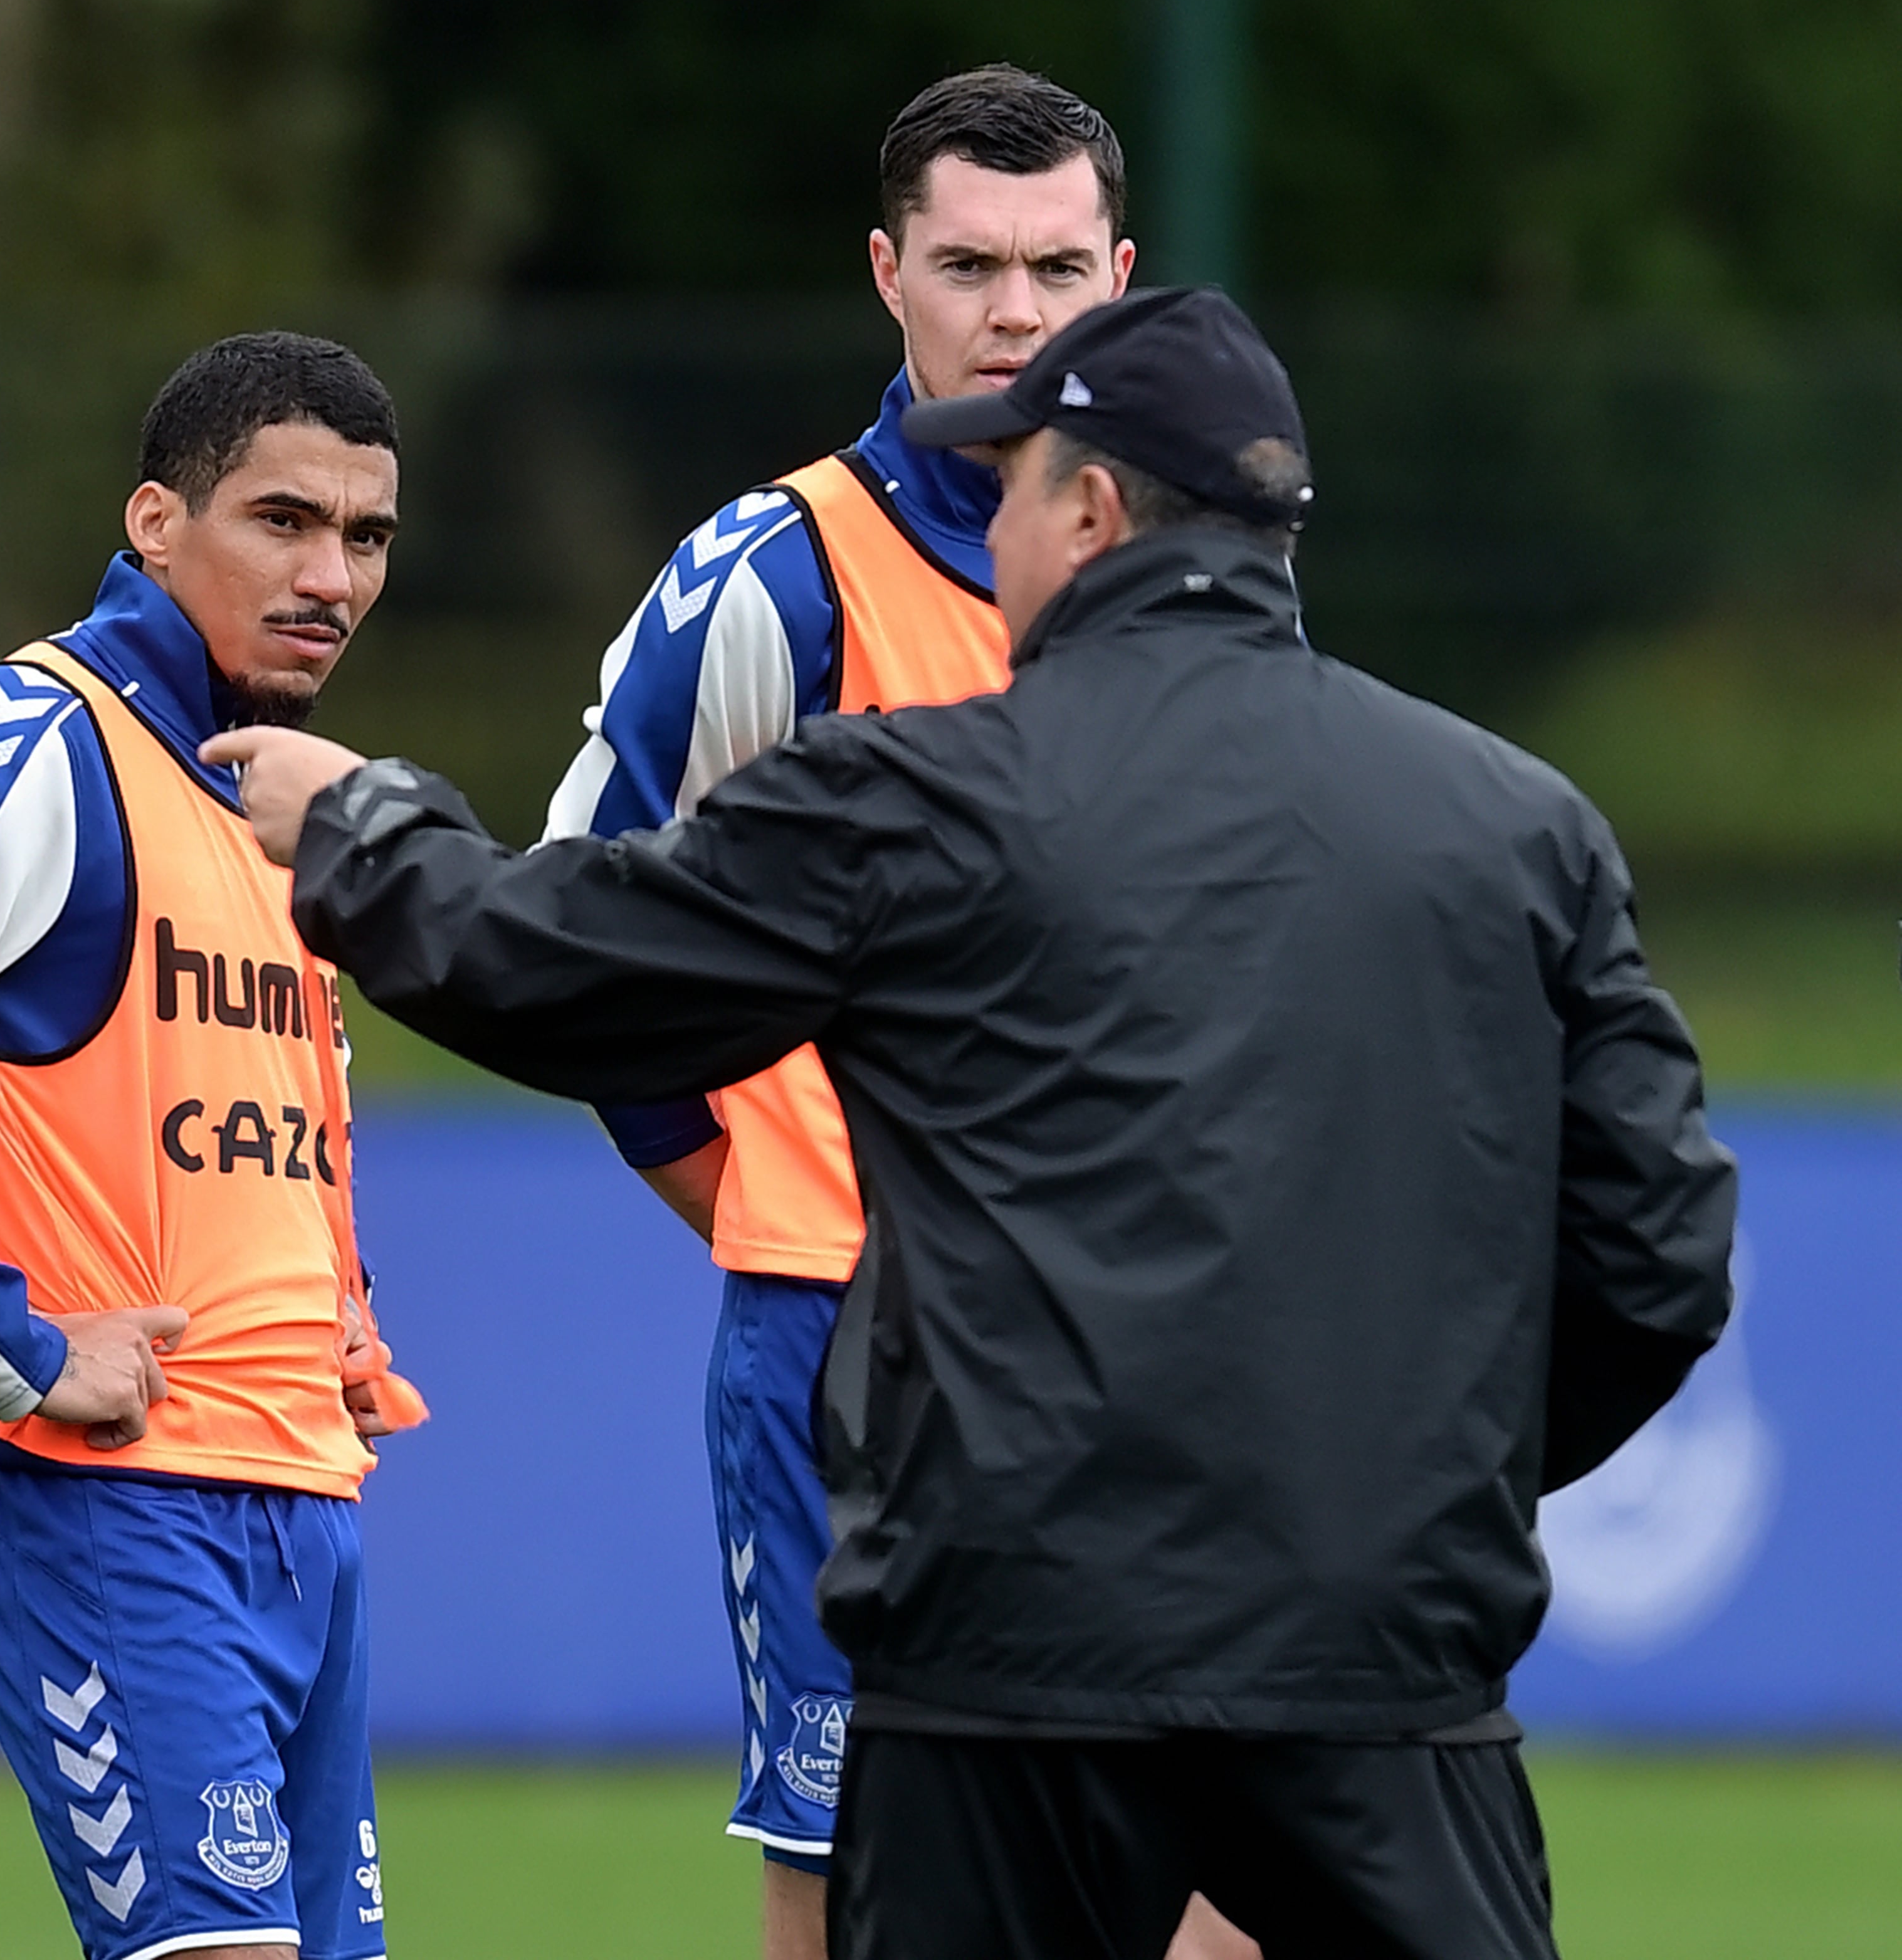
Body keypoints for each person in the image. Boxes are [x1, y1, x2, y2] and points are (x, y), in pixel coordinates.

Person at [208, 285, 1738, 1959]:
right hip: (1381, 1658)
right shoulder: (1521, 827)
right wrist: (1429, 1479)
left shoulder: (922, 799)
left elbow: (562, 968)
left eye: (1005, 487)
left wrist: (361, 830)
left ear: (1088, 509)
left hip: (1011, 1665)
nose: (989, 526)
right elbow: (1658, 1249)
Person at [532, 61, 1273, 1960]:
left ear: (1120, 273)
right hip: (856, 1354)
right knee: (861, 1892)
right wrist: (753, 1204)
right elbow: (577, 918)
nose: (1012, 314)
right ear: (889, 275)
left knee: (1232, 1882)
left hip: (1148, 1340)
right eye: (967, 265)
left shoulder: (1208, 569)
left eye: (1052, 269)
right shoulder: (779, 576)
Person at [0, 332, 427, 1960]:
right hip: (112, 1497)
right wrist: (14, 1346)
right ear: (153, 522)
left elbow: (246, 1092)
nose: (328, 574)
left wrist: (341, 1304)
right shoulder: (44, 737)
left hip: (298, 1497)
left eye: (367, 537)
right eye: (281, 521)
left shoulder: (280, 795)